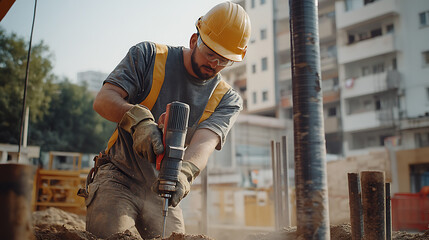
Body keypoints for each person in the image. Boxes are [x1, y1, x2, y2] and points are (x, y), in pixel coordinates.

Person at [83, 1, 251, 239]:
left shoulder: (227, 99)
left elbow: (204, 144)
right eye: (211, 53)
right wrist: (138, 120)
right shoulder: (149, 57)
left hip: (163, 186)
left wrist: (185, 173)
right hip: (118, 175)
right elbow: (103, 100)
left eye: (224, 60)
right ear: (194, 40)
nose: (215, 64)